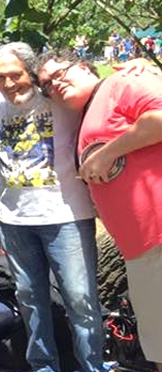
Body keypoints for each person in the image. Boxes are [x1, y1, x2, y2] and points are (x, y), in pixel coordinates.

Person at [0, 43, 104, 372]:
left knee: (81, 299)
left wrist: (137, 66)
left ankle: (93, 366)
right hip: (13, 220)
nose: (8, 84)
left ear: (31, 73)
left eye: (16, 75)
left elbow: (99, 88)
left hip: (67, 217)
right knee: (30, 301)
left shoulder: (59, 99)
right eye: (0, 77)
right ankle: (43, 367)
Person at [37, 50, 162, 372]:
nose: (55, 84)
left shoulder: (123, 80)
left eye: (59, 73)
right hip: (141, 249)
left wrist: (110, 152)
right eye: (47, 85)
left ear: (82, 64)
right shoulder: (85, 114)